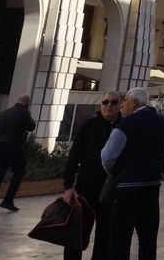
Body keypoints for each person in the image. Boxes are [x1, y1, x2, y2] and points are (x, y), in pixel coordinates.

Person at [101, 87, 164, 260]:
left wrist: (115, 173)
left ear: (134, 103)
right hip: (152, 187)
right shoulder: (161, 121)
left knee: (120, 238)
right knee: (148, 239)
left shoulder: (127, 123)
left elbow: (107, 156)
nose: (123, 105)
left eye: (125, 101)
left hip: (127, 187)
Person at [62, 91, 122, 260]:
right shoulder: (89, 126)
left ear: (120, 105)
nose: (108, 105)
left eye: (113, 102)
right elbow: (74, 157)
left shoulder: (124, 127)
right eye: (105, 102)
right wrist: (68, 186)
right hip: (86, 188)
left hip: (110, 190)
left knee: (105, 235)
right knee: (76, 233)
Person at [0, 94, 36, 214]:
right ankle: (8, 200)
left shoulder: (4, 113)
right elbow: (31, 126)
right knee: (19, 172)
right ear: (27, 104)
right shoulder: (23, 112)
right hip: (14, 147)